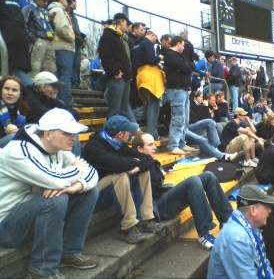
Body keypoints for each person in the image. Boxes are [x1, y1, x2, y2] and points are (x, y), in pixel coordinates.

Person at [0, 108, 99, 278]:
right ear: (47, 134)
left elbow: (92, 173)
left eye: (74, 133)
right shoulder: (19, 150)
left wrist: (77, 186)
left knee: (89, 191)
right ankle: (42, 270)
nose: (73, 138)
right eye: (67, 133)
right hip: (8, 227)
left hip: (35, 218)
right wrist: (76, 171)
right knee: (55, 199)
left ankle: (69, 253)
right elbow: (55, 180)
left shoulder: (59, 149)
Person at [132, 133, 233, 249]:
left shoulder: (150, 161)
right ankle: (204, 233)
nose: (155, 147)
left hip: (164, 197)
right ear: (139, 149)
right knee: (193, 181)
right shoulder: (137, 165)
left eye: (154, 144)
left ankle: (226, 220)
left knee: (208, 176)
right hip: (157, 209)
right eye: (150, 145)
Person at [81, 116, 165, 244]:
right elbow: (122, 165)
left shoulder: (117, 143)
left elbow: (147, 159)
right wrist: (133, 163)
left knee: (143, 172)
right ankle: (127, 228)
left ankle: (145, 218)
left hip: (110, 190)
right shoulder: (94, 148)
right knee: (120, 176)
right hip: (93, 196)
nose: (131, 133)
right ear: (120, 134)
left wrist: (136, 167)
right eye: (128, 131)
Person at [207, 185, 274, 278]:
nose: (270, 210)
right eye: (266, 206)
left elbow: (265, 268)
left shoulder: (250, 229)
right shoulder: (238, 240)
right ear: (253, 210)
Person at [98, 13, 137, 122]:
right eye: (126, 23)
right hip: (116, 77)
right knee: (115, 109)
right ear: (120, 21)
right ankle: (109, 133)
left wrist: (129, 75)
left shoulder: (120, 37)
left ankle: (132, 131)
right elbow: (105, 57)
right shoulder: (108, 36)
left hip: (124, 77)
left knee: (124, 108)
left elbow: (125, 59)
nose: (127, 26)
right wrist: (115, 71)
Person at [164, 36, 195, 155]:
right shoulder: (171, 55)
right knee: (178, 118)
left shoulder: (180, 56)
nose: (184, 47)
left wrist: (187, 66)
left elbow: (190, 67)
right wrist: (187, 67)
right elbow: (187, 68)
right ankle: (173, 145)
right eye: (183, 44)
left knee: (185, 119)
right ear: (178, 44)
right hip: (176, 90)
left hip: (183, 89)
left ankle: (181, 142)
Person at [132, 30, 164, 139]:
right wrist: (159, 58)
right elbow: (151, 59)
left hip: (140, 75)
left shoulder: (135, 44)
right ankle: (152, 133)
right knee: (153, 106)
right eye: (155, 40)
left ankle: (130, 116)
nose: (156, 43)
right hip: (150, 77)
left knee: (151, 105)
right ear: (152, 36)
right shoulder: (147, 43)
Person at [0, 0, 32, 86]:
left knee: (16, 71)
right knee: (18, 70)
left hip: (7, 37)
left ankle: (32, 97)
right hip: (20, 37)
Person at [48, 0, 77, 107]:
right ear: (61, 0)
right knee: (65, 73)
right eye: (66, 0)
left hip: (58, 46)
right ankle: (65, 99)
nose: (67, 3)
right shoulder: (59, 10)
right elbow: (60, 28)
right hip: (63, 46)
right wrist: (72, 38)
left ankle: (60, 99)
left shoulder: (52, 10)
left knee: (60, 73)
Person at [22, 0, 56, 78]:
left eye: (47, 1)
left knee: (50, 71)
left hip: (49, 41)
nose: (46, 3)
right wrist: (32, 39)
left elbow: (52, 28)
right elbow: (23, 24)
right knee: (34, 69)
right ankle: (31, 90)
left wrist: (52, 21)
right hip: (38, 41)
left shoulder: (45, 12)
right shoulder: (28, 8)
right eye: (44, 0)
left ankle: (47, 90)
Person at [0, 76, 30, 147]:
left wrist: (18, 131)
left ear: (20, 94)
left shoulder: (24, 110)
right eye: (7, 89)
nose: (10, 93)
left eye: (14, 90)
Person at [66, 0, 86, 89]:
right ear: (71, 2)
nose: (76, 4)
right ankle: (72, 84)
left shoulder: (73, 16)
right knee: (71, 64)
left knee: (76, 64)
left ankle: (75, 83)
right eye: (75, 2)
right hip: (70, 42)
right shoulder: (66, 13)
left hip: (76, 43)